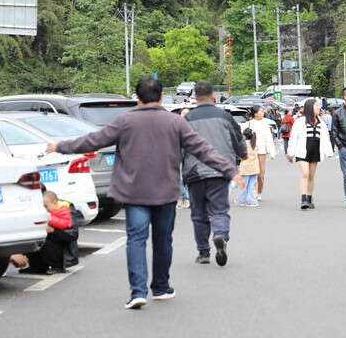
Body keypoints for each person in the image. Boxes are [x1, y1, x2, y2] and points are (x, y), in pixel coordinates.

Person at [46, 76, 244, 310]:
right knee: (163, 240)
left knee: (136, 240)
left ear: (138, 98)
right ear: (160, 97)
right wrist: (230, 170)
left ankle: (138, 292)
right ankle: (160, 287)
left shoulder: (124, 121)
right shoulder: (175, 122)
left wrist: (60, 146)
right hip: (165, 192)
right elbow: (202, 149)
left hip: (134, 193)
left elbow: (93, 141)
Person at [182, 81, 247, 266]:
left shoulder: (187, 119)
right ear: (213, 96)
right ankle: (220, 234)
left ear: (195, 98)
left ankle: (203, 252)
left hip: (194, 172)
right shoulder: (225, 116)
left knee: (198, 214)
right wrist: (242, 154)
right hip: (220, 171)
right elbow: (238, 139)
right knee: (219, 209)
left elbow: (178, 146)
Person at [287, 98, 334, 209]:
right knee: (305, 173)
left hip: (315, 151)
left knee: (311, 176)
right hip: (302, 151)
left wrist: (329, 152)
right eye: (316, 105)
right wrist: (290, 152)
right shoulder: (299, 121)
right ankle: (303, 199)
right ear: (310, 107)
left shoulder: (321, 121)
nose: (319, 107)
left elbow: (325, 137)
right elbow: (293, 138)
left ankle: (309, 198)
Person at [242, 105, 277, 200]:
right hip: (251, 152)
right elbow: (241, 135)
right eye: (261, 111)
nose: (263, 113)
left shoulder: (265, 124)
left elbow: (269, 139)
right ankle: (255, 193)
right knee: (253, 172)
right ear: (255, 114)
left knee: (261, 174)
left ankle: (259, 191)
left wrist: (271, 151)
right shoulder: (249, 124)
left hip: (261, 152)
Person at [236, 128, 260, 208]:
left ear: (244, 136)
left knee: (244, 185)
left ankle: (241, 200)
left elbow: (240, 155)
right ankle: (253, 201)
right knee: (251, 186)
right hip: (254, 167)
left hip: (245, 168)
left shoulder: (243, 144)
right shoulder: (255, 143)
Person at [178, 108, 191, 209]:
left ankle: (187, 199)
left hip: (190, 155)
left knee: (188, 177)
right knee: (178, 178)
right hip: (177, 155)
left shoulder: (194, 126)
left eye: (187, 113)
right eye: (183, 113)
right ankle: (180, 197)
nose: (185, 115)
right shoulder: (175, 125)